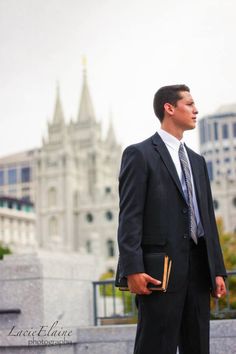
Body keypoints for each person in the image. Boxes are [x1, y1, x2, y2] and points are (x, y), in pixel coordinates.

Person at [117, 85, 227, 354]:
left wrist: (218, 269)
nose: (196, 109)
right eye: (189, 104)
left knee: (198, 346)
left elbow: (207, 221)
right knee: (155, 346)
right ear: (169, 108)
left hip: (200, 270)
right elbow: (130, 216)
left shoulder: (198, 162)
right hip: (159, 272)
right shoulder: (139, 154)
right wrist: (132, 268)